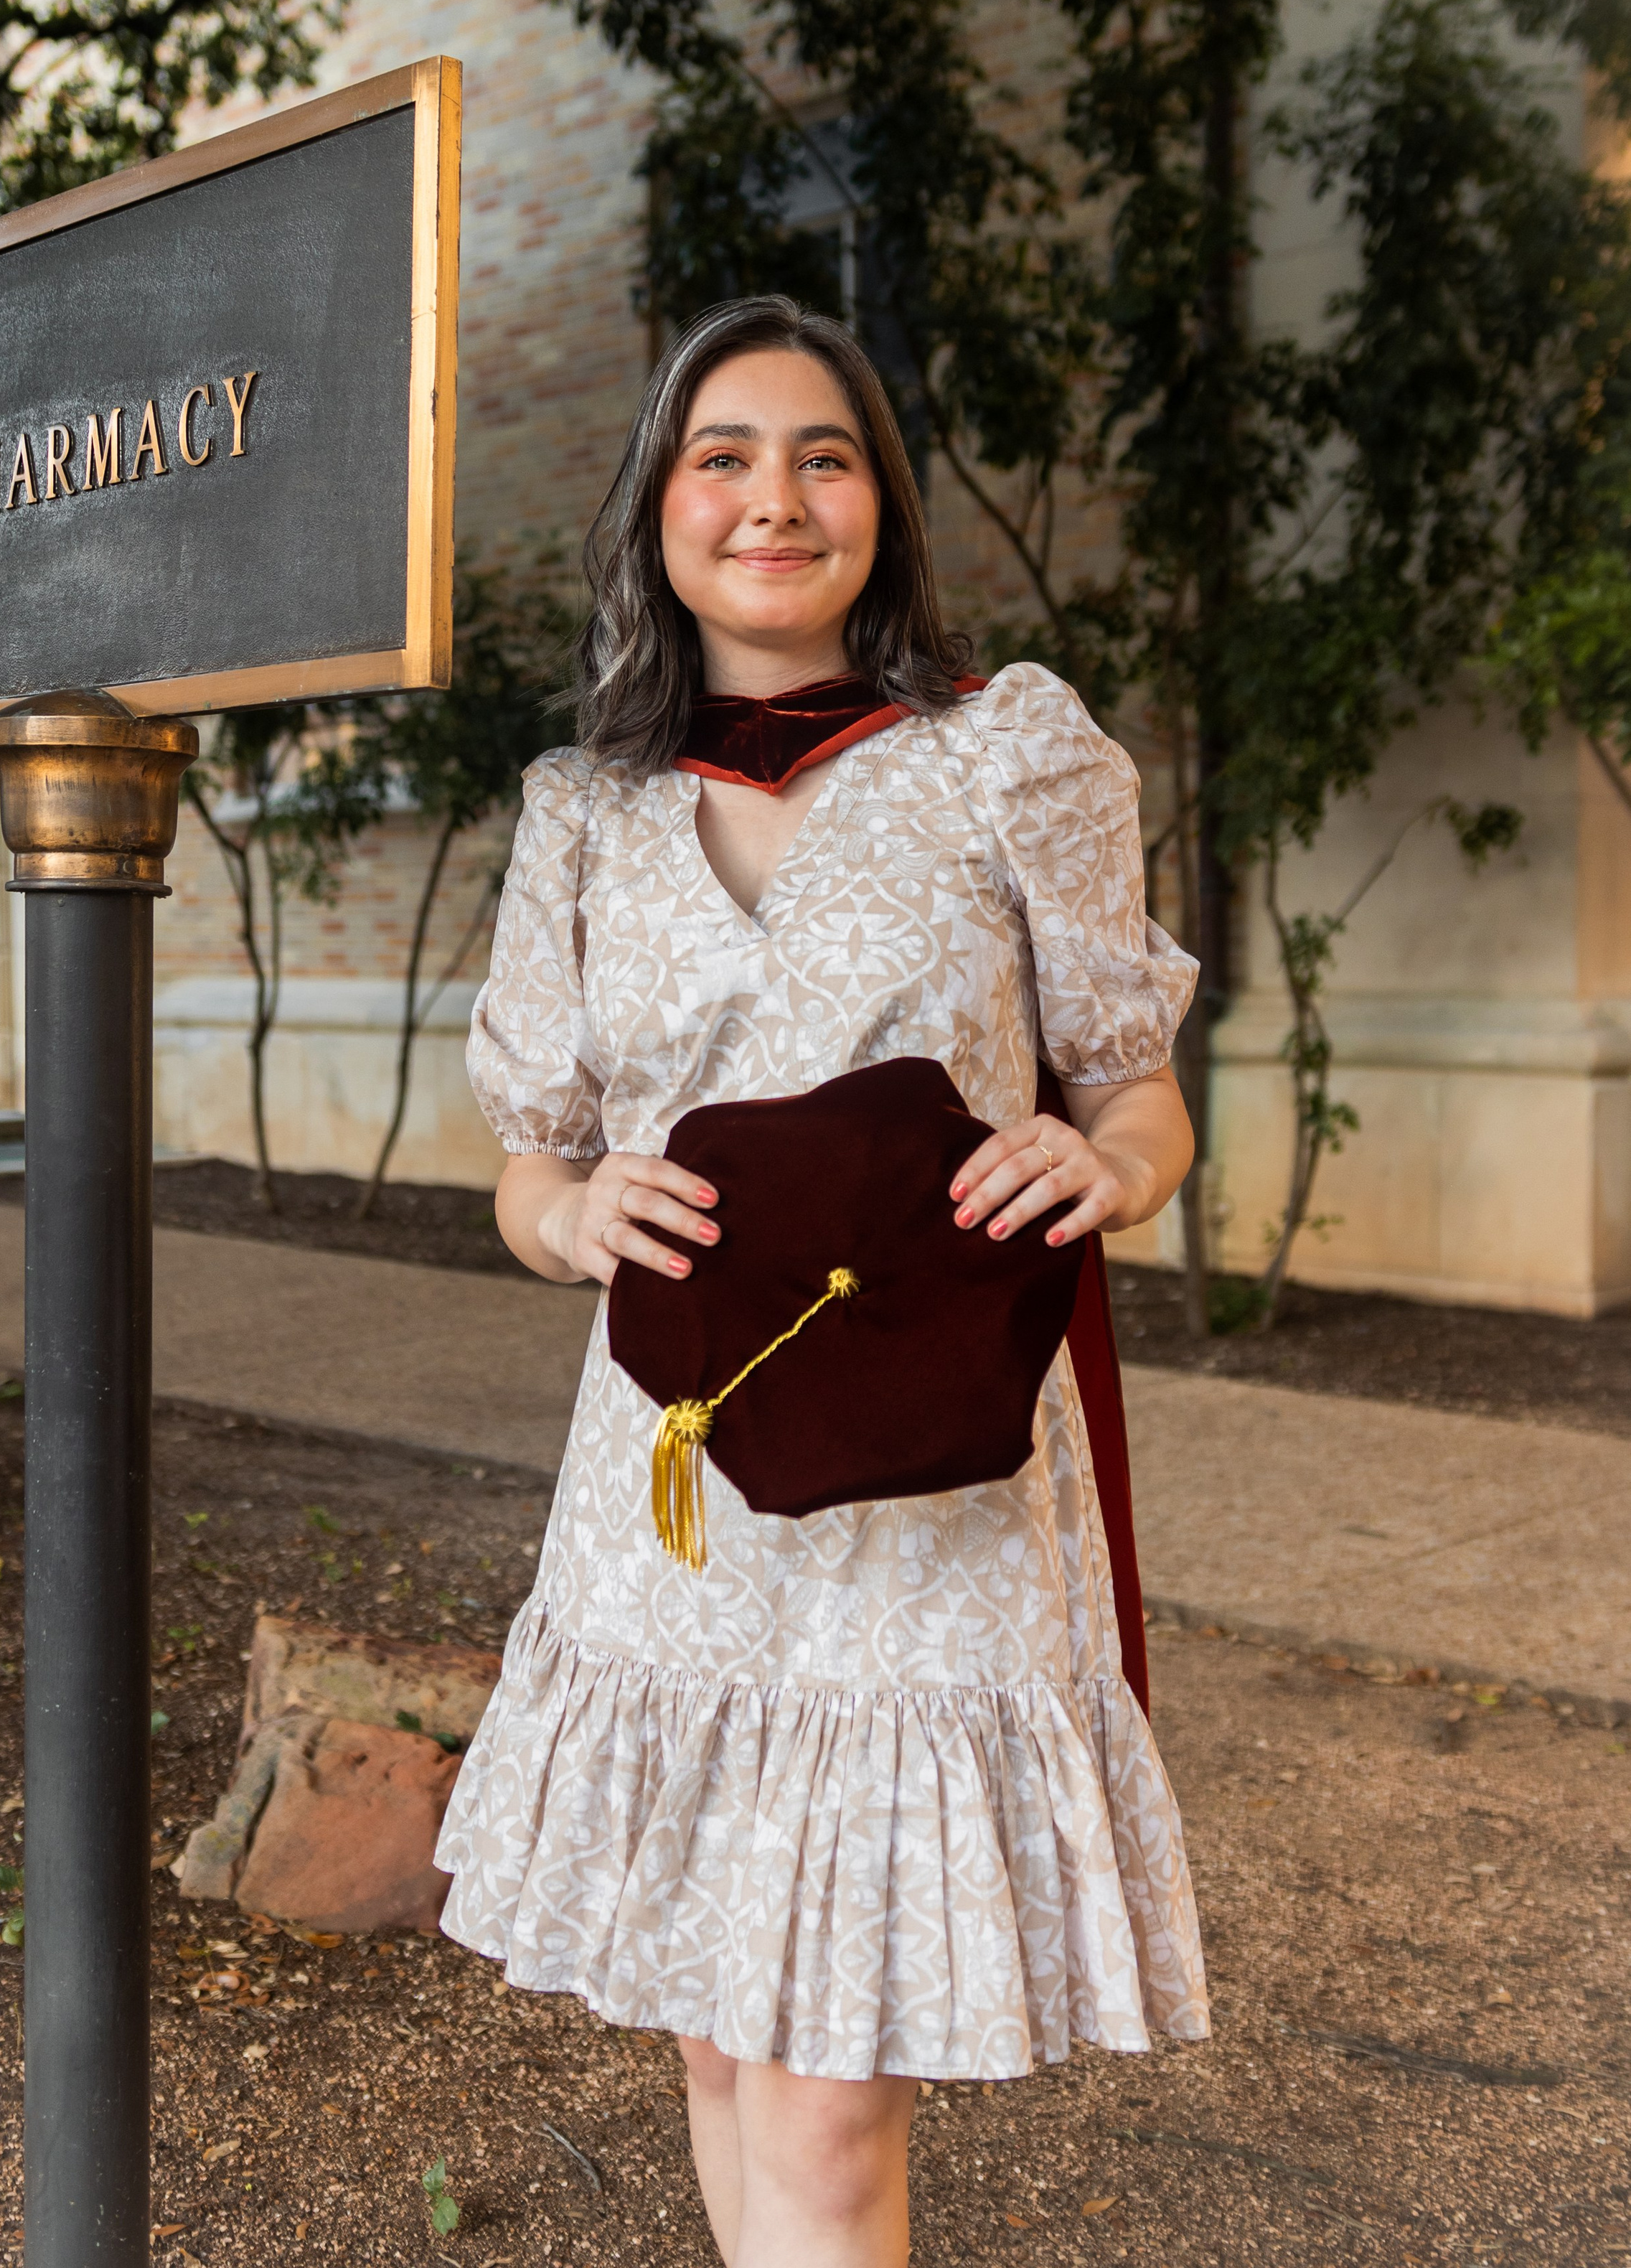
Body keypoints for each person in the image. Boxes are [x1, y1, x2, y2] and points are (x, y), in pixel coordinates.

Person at [436, 295, 1208, 2268]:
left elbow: (1141, 1092)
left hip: (926, 1490)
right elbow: (530, 1159)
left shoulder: (1001, 753)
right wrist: (569, 1211)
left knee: (832, 2083)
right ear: (659, 507)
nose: (772, 496)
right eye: (724, 455)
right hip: (673, 1481)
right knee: (719, 2033)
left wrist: (1106, 1159)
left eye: (824, 454)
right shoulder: (587, 812)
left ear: (880, 505)